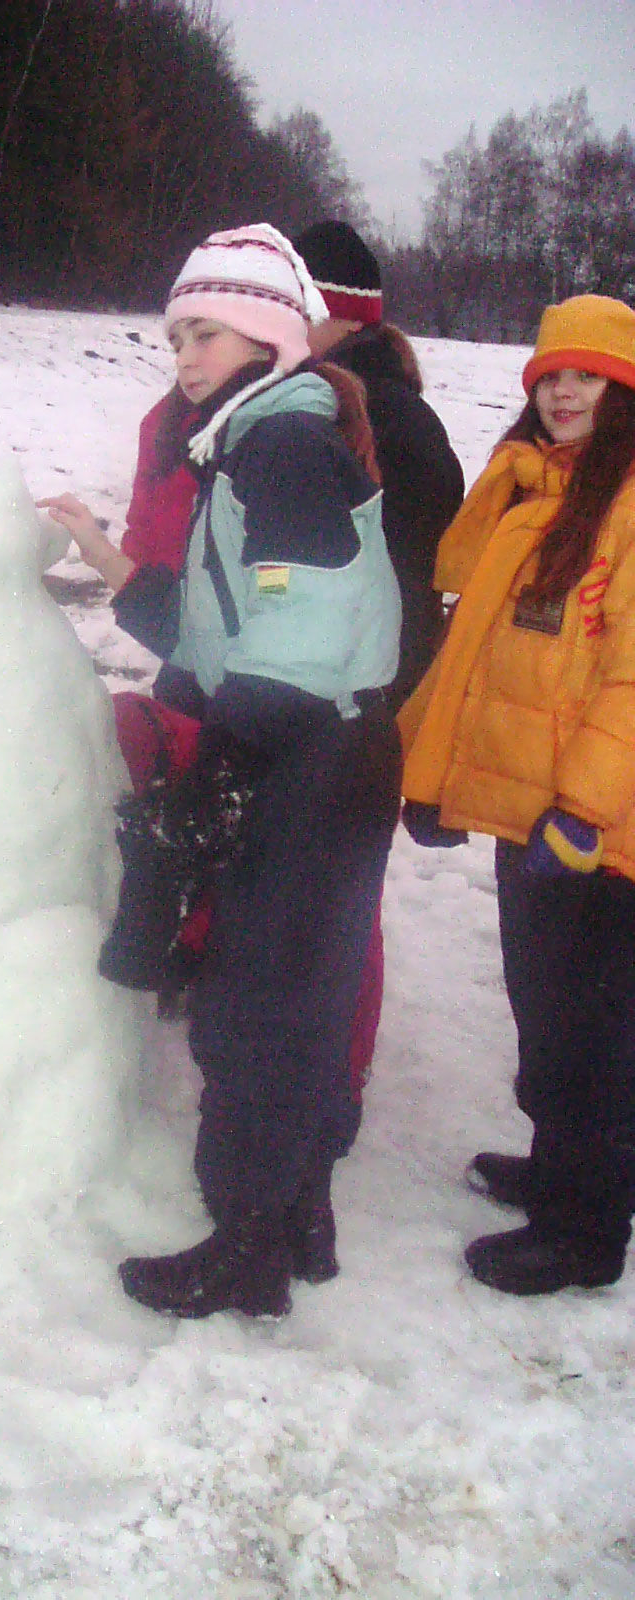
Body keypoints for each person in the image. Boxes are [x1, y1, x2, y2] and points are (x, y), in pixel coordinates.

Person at [46, 225, 402, 1318]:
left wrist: (226, 769)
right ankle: (289, 1217)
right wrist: (116, 564)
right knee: (291, 997)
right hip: (318, 753)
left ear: (265, 334)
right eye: (175, 336)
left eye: (203, 332)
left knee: (257, 1007)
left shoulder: (279, 448)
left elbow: (295, 639)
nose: (184, 355)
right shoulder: (254, 441)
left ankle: (247, 1250)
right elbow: (221, 635)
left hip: (309, 758)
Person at [400, 293, 635, 1297]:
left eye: (587, 376)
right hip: (530, 809)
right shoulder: (542, 489)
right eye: (548, 376)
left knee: (589, 1028)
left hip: (596, 827)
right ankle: (562, 1170)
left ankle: (585, 1232)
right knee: (547, 1010)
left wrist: (582, 809)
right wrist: (436, 778)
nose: (563, 390)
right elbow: (472, 640)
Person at [294, 221, 465, 1084]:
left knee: (334, 902)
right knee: (317, 893)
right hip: (336, 696)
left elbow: (395, 575)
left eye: (297, 302)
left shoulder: (384, 419)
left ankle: (330, 1081)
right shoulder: (339, 398)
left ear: (333, 313)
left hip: (356, 708)